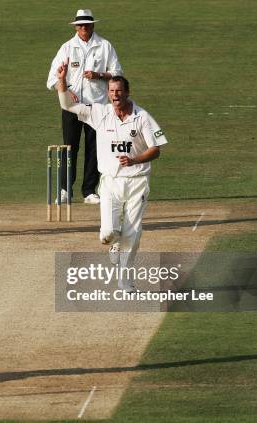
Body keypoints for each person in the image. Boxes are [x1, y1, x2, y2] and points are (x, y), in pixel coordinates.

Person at [56, 61, 168, 292]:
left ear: (127, 93)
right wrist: (62, 81)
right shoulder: (100, 113)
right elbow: (67, 104)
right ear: (107, 94)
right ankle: (113, 243)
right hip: (109, 183)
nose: (115, 96)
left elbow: (156, 149)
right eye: (111, 92)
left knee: (132, 233)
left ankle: (125, 282)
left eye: (119, 91)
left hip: (137, 181)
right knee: (108, 233)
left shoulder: (142, 117)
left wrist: (135, 160)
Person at [47, 9, 123, 205]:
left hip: (97, 106)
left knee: (94, 148)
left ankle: (89, 190)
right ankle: (65, 190)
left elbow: (117, 74)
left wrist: (98, 75)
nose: (83, 28)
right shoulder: (67, 48)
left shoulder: (105, 46)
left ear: (92, 26)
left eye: (86, 25)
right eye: (79, 25)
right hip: (71, 106)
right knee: (69, 147)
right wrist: (64, 88)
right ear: (75, 27)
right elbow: (52, 79)